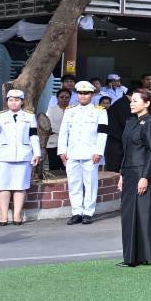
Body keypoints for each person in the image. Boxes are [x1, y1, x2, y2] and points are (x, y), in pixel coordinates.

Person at [117, 89, 151, 267]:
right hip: (129, 172)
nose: (132, 103)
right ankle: (131, 256)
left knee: (142, 213)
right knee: (128, 215)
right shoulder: (131, 122)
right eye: (131, 100)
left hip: (141, 172)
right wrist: (121, 174)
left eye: (136, 100)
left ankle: (142, 255)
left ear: (147, 103)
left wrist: (146, 176)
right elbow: (126, 150)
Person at [0, 89, 38, 225]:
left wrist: (37, 153)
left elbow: (33, 136)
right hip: (4, 156)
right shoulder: (0, 116)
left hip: (24, 155)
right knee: (3, 186)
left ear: (22, 102)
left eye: (17, 100)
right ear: (7, 101)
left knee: (20, 186)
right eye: (11, 100)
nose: (13, 103)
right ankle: (3, 216)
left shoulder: (29, 116)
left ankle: (17, 215)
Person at [57, 81, 106, 225]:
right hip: (72, 153)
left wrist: (98, 152)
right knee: (74, 184)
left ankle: (88, 212)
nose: (83, 96)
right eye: (80, 93)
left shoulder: (99, 111)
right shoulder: (70, 110)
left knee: (90, 184)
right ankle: (76, 212)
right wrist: (62, 151)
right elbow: (63, 132)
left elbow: (102, 133)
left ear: (92, 95)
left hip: (90, 153)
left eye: (86, 93)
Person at [43, 86, 71, 173]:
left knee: (67, 168)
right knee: (54, 168)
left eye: (67, 97)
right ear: (57, 98)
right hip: (53, 142)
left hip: (68, 143)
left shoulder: (73, 110)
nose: (64, 99)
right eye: (61, 97)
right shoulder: (51, 110)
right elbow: (49, 125)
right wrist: (65, 131)